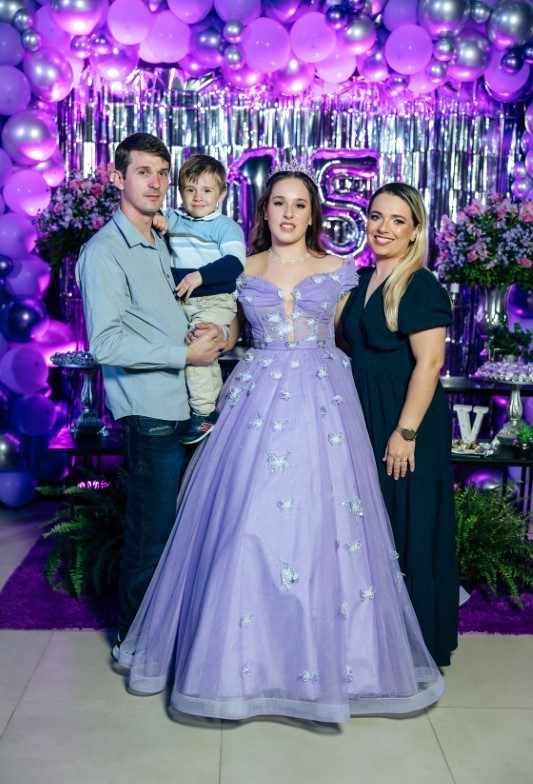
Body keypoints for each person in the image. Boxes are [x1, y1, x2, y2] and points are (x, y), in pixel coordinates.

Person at [117, 163, 444, 723]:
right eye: (278, 203)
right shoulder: (242, 268)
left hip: (324, 399)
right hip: (257, 396)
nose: (288, 213)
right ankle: (239, 663)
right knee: (246, 522)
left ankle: (334, 662)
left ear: (313, 214)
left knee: (327, 523)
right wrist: (217, 333)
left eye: (299, 204)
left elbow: (357, 338)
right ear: (264, 211)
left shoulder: (341, 270)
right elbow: (232, 330)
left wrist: (401, 420)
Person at [75, 133, 229, 659]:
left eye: (163, 173)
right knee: (152, 533)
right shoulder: (104, 252)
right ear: (118, 178)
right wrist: (184, 355)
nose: (157, 183)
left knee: (186, 528)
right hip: (151, 412)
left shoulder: (164, 238)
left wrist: (215, 333)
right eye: (144, 172)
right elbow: (105, 343)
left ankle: (165, 634)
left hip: (186, 405)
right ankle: (135, 643)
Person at [341, 182, 458, 667]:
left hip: (406, 421)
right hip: (365, 415)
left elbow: (430, 363)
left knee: (408, 522)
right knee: (373, 523)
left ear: (414, 232)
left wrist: (405, 433)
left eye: (397, 220)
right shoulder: (360, 279)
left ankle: (414, 647)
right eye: (376, 216)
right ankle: (372, 641)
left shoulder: (420, 285)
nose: (383, 228)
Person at [157, 154, 246, 445]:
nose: (198, 197)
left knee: (198, 349)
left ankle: (204, 412)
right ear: (180, 191)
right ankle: (209, 405)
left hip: (214, 301)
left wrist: (200, 276)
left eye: (207, 190)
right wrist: (155, 218)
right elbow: (153, 224)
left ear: (221, 194)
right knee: (190, 356)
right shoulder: (174, 219)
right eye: (190, 189)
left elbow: (234, 263)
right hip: (182, 303)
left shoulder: (225, 227)